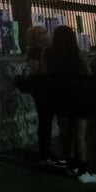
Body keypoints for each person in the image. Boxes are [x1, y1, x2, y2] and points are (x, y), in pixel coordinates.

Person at [45, 25, 96, 183]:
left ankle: (70, 164)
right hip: (78, 95)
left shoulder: (49, 54)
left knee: (65, 131)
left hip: (59, 95)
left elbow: (46, 71)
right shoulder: (77, 56)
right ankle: (82, 169)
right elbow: (88, 74)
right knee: (80, 134)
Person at [23, 25, 62, 166]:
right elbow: (38, 70)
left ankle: (47, 151)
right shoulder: (34, 51)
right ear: (35, 37)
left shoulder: (49, 49)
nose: (45, 35)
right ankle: (44, 153)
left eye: (45, 32)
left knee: (48, 119)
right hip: (40, 86)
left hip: (49, 85)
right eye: (41, 33)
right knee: (45, 118)